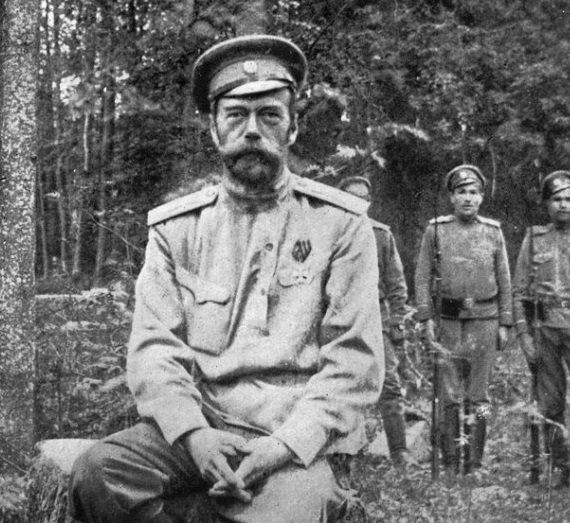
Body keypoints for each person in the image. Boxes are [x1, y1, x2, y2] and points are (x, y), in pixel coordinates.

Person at [69, 34, 384, 522]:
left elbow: (354, 362)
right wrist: (194, 435)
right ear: (215, 129)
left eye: (269, 115)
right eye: (235, 115)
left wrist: (285, 445)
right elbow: (155, 350)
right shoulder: (177, 229)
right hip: (202, 424)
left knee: (284, 513)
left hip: (293, 433)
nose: (252, 131)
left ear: (293, 127)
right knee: (98, 473)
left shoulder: (340, 224)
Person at [414, 164, 512, 473]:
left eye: (473, 192)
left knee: (480, 396)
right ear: (452, 198)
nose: (467, 198)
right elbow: (422, 276)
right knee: (449, 393)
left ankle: (475, 458)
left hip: (486, 319)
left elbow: (504, 279)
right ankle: (451, 458)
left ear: (481, 197)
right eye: (461, 192)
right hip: (449, 319)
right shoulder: (436, 230)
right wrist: (426, 317)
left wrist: (505, 322)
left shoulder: (493, 232)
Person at [339, 176, 416, 469]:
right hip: (342, 319)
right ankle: (345, 449)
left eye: (363, 198)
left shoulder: (382, 235)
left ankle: (399, 450)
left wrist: (397, 322)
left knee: (389, 384)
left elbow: (396, 284)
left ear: (369, 202)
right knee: (343, 384)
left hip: (377, 318)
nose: (356, 203)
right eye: (350, 196)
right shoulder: (329, 233)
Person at [513, 170, 570, 488]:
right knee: (551, 402)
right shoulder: (534, 239)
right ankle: (561, 465)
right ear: (547, 204)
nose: (564, 204)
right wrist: (524, 337)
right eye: (557, 199)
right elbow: (519, 291)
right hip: (545, 330)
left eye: (569, 199)